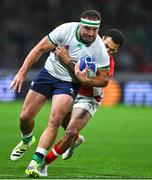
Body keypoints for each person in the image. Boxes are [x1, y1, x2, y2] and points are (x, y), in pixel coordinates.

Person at [10, 9, 110, 178]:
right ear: (80, 25)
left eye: (95, 30)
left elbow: (104, 79)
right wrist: (21, 73)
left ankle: (35, 162)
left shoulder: (98, 48)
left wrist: (85, 80)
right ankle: (27, 140)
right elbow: (39, 48)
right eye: (87, 28)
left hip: (68, 83)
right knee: (25, 118)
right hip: (48, 73)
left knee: (55, 119)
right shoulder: (65, 30)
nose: (91, 33)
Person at [38, 28, 125, 177]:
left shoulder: (108, 63)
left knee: (70, 132)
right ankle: (76, 140)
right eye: (106, 46)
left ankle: (43, 165)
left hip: (88, 98)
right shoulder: (80, 46)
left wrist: (72, 65)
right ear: (101, 38)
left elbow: (97, 81)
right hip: (70, 90)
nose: (108, 51)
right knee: (59, 123)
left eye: (113, 50)